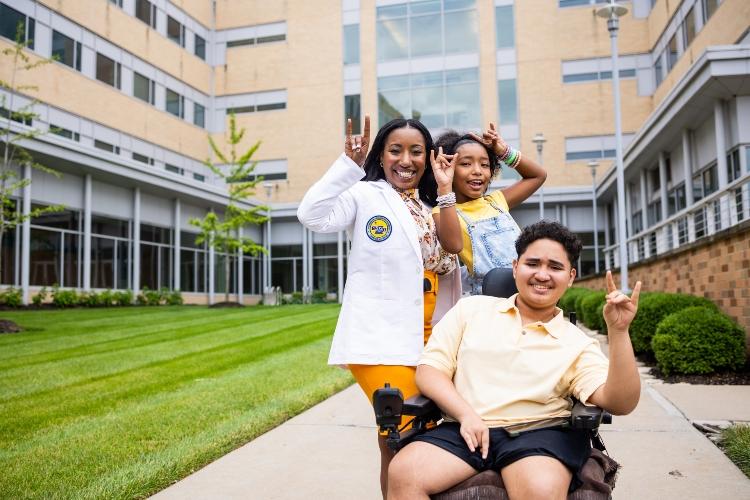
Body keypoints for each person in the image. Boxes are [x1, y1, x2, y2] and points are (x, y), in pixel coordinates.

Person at [388, 221, 642, 500]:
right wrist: (466, 415)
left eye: (554, 267)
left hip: (540, 433)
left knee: (540, 489)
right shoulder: (470, 311)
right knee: (404, 471)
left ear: (570, 277)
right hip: (466, 427)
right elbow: (429, 372)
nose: (542, 275)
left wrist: (619, 333)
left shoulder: (576, 343)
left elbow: (620, 402)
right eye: (532, 263)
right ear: (515, 266)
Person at [296, 115, 462, 497]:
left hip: (430, 334)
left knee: (398, 436)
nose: (406, 160)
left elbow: (451, 252)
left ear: (428, 157)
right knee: (410, 428)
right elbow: (312, 216)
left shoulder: (428, 204)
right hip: (380, 335)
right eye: (396, 150)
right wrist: (347, 167)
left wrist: (446, 187)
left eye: (416, 151)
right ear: (381, 156)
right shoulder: (365, 194)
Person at [433, 122, 546, 295]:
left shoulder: (496, 201)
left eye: (485, 165)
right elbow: (453, 246)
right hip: (489, 302)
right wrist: (445, 188)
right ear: (449, 168)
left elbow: (538, 176)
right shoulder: (444, 210)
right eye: (466, 164)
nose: (477, 171)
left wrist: (504, 152)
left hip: (526, 292)